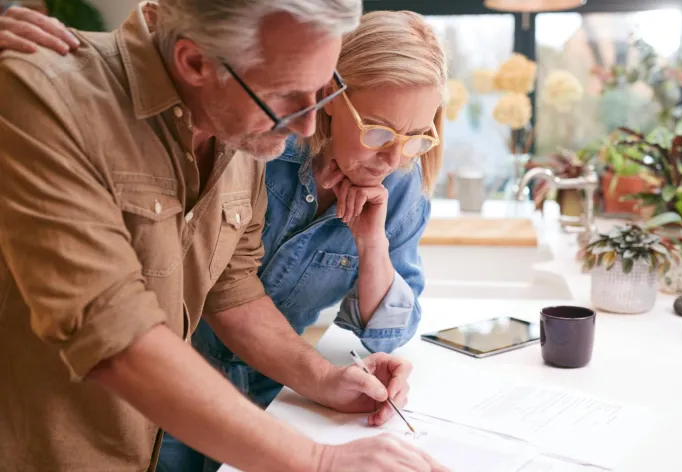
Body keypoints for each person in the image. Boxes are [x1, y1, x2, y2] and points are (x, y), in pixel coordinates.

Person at [0, 3, 446, 472]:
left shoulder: (240, 120)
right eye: (285, 95)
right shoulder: (47, 92)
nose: (307, 128)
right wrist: (318, 462)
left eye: (316, 94)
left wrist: (324, 379)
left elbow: (232, 287)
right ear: (195, 64)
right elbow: (111, 332)